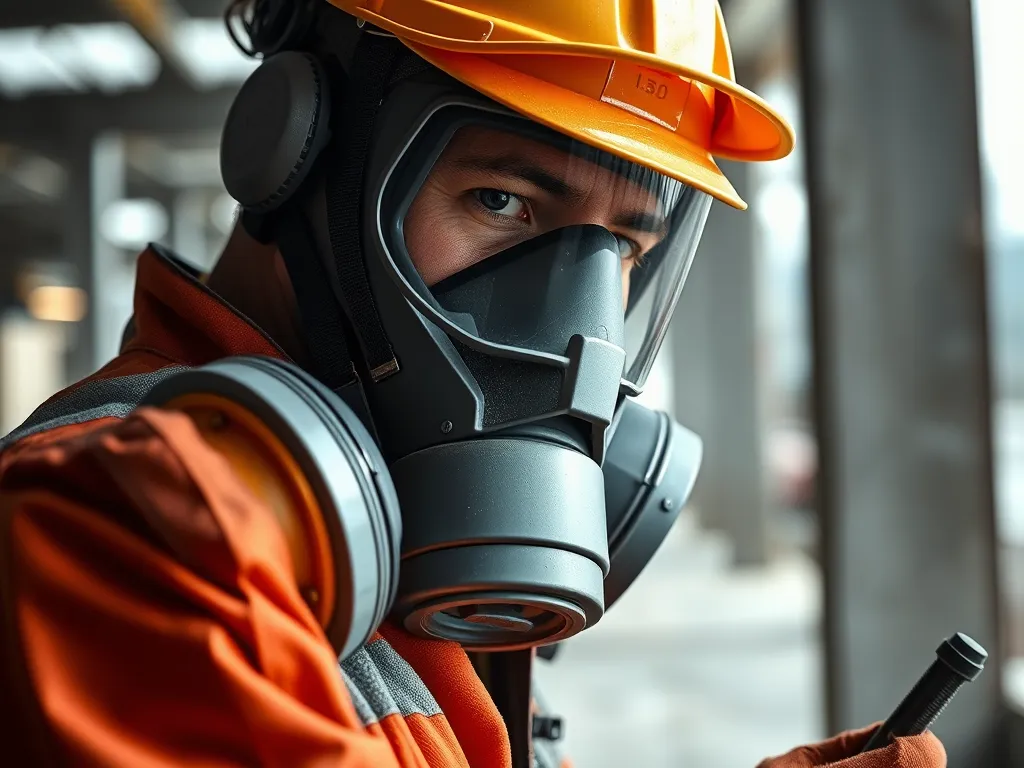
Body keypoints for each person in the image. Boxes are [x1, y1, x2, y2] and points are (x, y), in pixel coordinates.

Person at [0, 1, 946, 766]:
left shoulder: (394, 526)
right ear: (286, 152)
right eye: (501, 201)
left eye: (623, 247)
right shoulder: (119, 531)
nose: (577, 327)